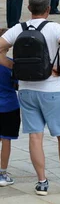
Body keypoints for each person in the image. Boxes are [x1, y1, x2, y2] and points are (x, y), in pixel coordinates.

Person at [0, 0, 60, 195]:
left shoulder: (18, 28)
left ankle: (41, 182)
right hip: (51, 88)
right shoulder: (54, 28)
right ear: (48, 9)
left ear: (29, 8)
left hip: (25, 90)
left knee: (35, 136)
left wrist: (12, 67)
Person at [0, 28, 18, 187]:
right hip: (9, 106)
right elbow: (17, 84)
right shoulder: (11, 64)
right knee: (6, 140)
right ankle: (2, 172)